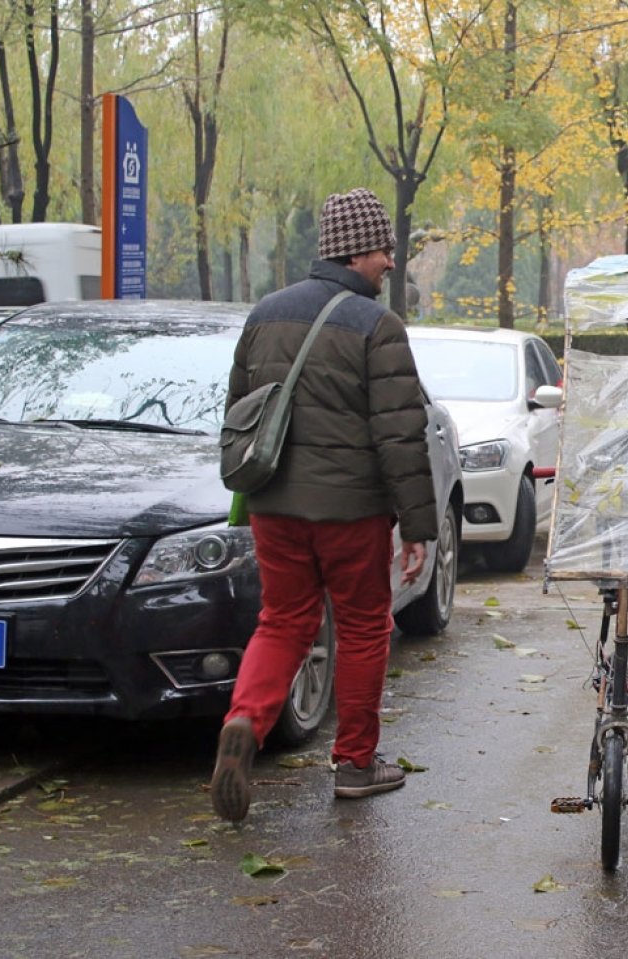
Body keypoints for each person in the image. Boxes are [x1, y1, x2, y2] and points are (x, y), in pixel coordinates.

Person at [210, 187, 437, 823]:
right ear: (357, 250)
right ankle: (357, 764)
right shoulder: (377, 326)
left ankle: (244, 724)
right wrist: (418, 526)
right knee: (365, 627)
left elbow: (238, 413)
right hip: (352, 513)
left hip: (275, 506)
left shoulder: (265, 314)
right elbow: (399, 435)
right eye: (384, 249)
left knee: (282, 621)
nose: (390, 261)